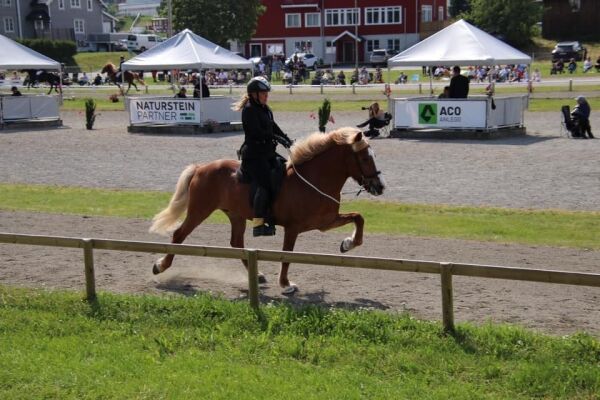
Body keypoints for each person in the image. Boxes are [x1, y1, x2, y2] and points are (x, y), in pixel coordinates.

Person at [233, 77, 293, 236]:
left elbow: (273, 126)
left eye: (267, 93)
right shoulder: (249, 110)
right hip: (254, 156)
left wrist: (286, 139)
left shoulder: (265, 108)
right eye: (263, 93)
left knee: (286, 170)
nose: (266, 96)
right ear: (254, 94)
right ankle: (258, 223)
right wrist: (273, 137)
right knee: (265, 183)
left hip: (267, 153)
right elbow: (256, 133)